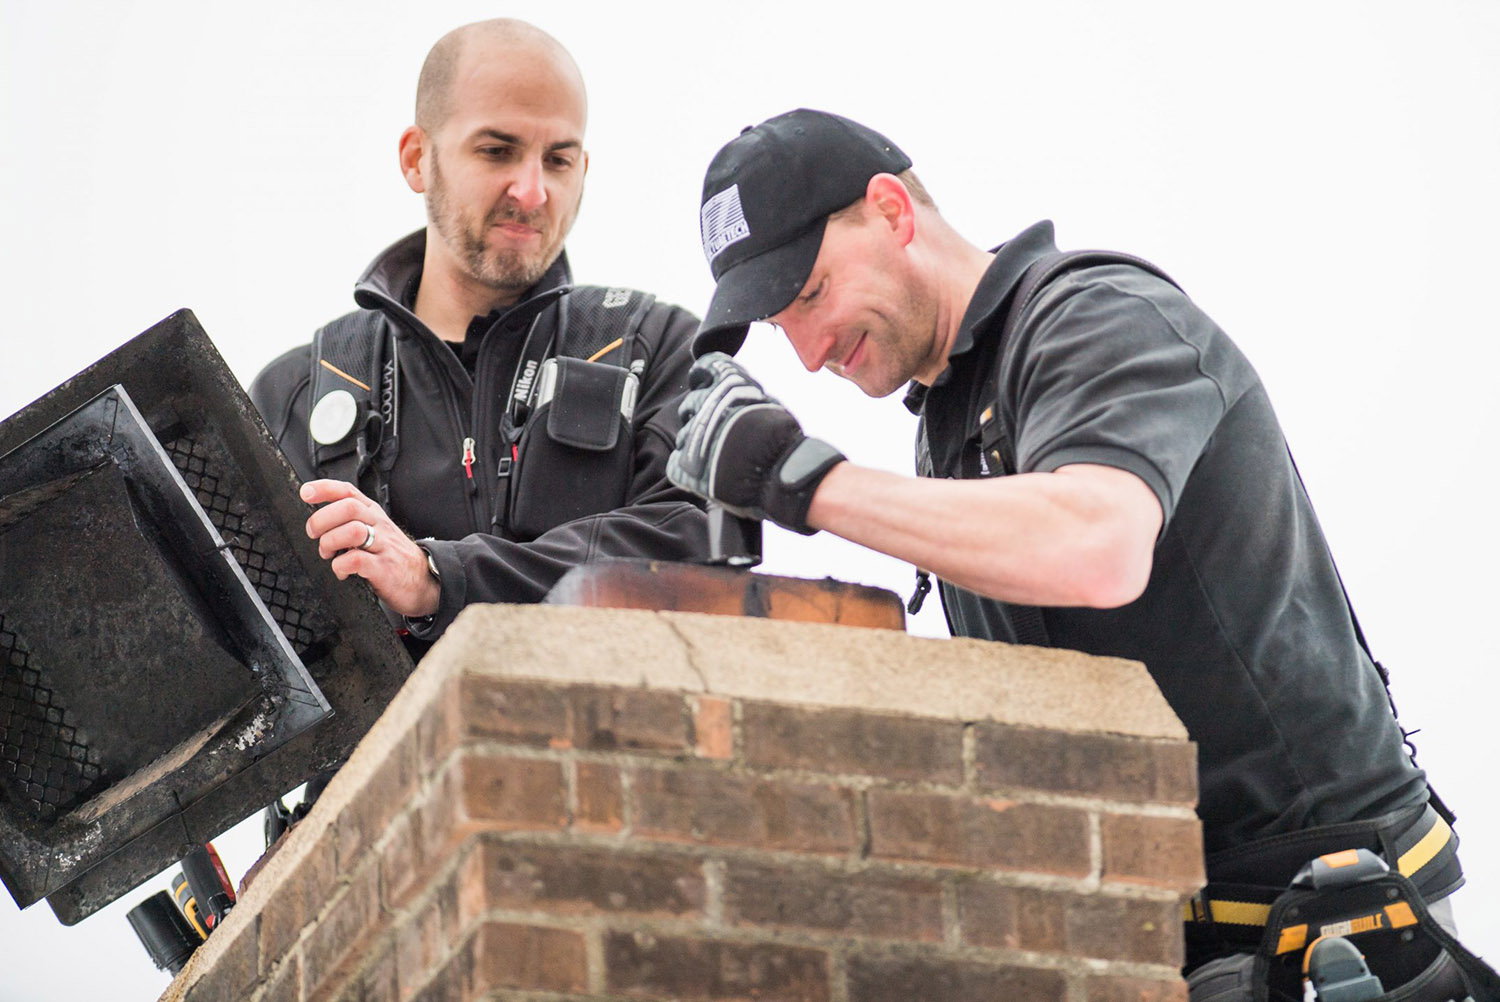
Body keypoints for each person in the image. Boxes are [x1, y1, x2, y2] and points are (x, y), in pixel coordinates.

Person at [669, 109, 1495, 1000]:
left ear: (891, 211)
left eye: (809, 292)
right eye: (776, 326)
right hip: (1175, 935)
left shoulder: (1094, 317)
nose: (807, 350)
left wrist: (800, 479)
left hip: (1333, 932)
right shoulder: (950, 427)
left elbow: (1097, 545)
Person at [250, 19, 709, 653]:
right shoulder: (297, 396)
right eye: (497, 151)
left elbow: (697, 543)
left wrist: (439, 576)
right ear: (417, 159)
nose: (532, 190)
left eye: (559, 159)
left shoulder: (654, 347)